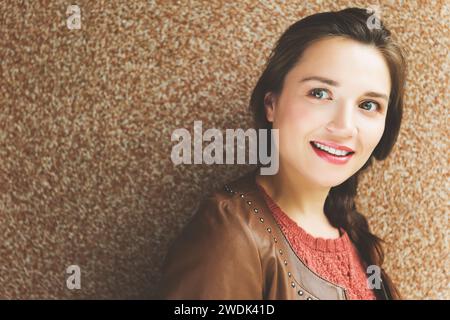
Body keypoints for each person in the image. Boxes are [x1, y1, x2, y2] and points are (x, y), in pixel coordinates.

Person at [157, 7, 406, 300]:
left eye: (367, 105)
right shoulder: (230, 232)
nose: (344, 126)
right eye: (320, 93)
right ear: (271, 104)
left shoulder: (351, 230)